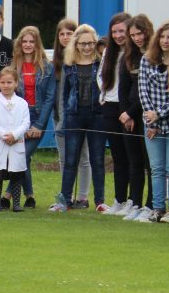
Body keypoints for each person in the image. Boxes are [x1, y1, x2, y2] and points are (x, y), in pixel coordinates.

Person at [51, 24, 108, 212]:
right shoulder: (69, 66)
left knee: (98, 159)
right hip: (74, 116)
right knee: (70, 160)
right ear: (76, 45)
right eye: (83, 43)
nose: (87, 47)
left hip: (97, 116)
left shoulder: (101, 64)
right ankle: (65, 200)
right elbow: (64, 95)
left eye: (90, 43)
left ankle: (100, 201)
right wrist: (63, 119)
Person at [139, 21, 169, 223]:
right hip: (151, 123)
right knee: (156, 168)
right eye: (163, 37)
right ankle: (157, 208)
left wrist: (159, 114)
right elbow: (143, 91)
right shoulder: (147, 60)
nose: (165, 41)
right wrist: (151, 119)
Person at [11, 26, 56, 209]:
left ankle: (7, 193)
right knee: (23, 157)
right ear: (20, 44)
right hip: (18, 116)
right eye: (25, 41)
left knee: (23, 155)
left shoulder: (47, 67)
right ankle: (29, 195)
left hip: (37, 115)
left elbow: (50, 98)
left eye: (31, 41)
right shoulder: (14, 66)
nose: (28, 45)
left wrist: (39, 125)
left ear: (37, 44)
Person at [117, 14, 155, 220]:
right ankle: (136, 202)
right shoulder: (128, 56)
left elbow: (145, 90)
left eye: (139, 33)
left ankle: (151, 204)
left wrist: (132, 112)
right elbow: (123, 88)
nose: (137, 38)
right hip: (128, 117)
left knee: (150, 163)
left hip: (146, 115)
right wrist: (124, 114)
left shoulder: (153, 55)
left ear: (147, 31)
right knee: (134, 161)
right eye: (133, 35)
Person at [51, 18, 92, 209]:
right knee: (65, 158)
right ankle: (64, 194)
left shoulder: (82, 61)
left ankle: (82, 196)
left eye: (70, 33)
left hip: (78, 114)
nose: (66, 37)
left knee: (83, 157)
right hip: (60, 116)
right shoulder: (55, 63)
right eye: (62, 33)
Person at [98, 12, 134, 214]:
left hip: (127, 108)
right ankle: (119, 199)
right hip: (110, 106)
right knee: (118, 156)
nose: (119, 35)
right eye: (115, 32)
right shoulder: (108, 53)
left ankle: (132, 200)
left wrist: (128, 110)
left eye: (122, 31)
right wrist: (103, 95)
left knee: (131, 156)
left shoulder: (134, 54)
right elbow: (101, 77)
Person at [0, 68, 29, 212]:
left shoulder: (22, 103)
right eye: (2, 82)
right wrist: (5, 136)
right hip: (0, 143)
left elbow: (25, 123)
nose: (6, 85)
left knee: (16, 175)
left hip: (16, 144)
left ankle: (16, 204)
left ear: (16, 83)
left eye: (9, 82)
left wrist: (15, 135)